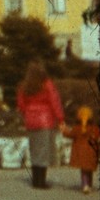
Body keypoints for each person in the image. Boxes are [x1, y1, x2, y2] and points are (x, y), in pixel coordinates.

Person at [15, 61, 64, 190]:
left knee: (34, 150)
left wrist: (27, 113)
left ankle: (35, 180)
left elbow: (21, 105)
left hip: (30, 120)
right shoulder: (47, 84)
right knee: (43, 151)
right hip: (45, 120)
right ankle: (41, 181)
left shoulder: (24, 86)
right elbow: (54, 102)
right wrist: (60, 119)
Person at [60, 106, 99, 195]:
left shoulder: (77, 128)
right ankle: (89, 184)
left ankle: (85, 185)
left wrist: (63, 130)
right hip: (92, 152)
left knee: (84, 170)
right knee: (89, 169)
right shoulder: (94, 128)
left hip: (80, 152)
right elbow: (97, 137)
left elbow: (69, 134)